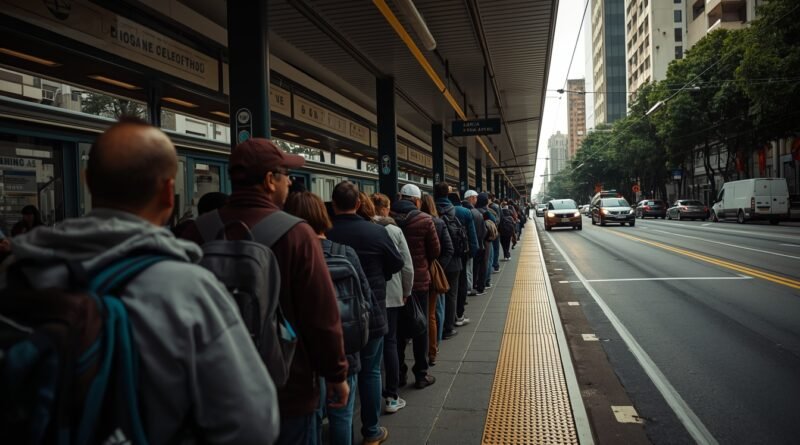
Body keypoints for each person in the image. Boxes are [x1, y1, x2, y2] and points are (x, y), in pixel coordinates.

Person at [0, 118, 279, 444]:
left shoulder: (16, 270)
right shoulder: (188, 288)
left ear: (87, 181)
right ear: (167, 193)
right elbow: (254, 424)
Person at [181, 138, 348, 445]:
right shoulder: (298, 234)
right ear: (271, 181)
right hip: (287, 388)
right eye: (287, 176)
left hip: (215, 389)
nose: (290, 183)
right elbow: (321, 316)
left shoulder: (197, 231)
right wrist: (336, 374)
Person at [284, 191, 371, 445]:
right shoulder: (345, 253)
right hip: (343, 350)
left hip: (302, 356)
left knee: (311, 417)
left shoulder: (287, 255)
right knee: (342, 416)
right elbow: (363, 300)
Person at [326, 181, 404, 445]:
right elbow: (396, 262)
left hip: (338, 314)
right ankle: (371, 431)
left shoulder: (325, 232)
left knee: (344, 374)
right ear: (358, 204)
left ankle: (342, 435)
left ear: (333, 203)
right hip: (372, 310)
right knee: (371, 371)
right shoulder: (376, 231)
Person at [390, 184, 440, 389]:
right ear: (417, 200)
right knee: (420, 326)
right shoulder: (425, 219)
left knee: (397, 331)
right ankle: (420, 373)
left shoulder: (388, 218)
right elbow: (435, 250)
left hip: (393, 283)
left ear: (400, 196)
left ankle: (398, 373)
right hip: (419, 282)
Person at [371, 192, 413, 415]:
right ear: (386, 208)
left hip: (367, 296)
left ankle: (370, 393)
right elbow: (406, 265)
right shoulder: (394, 230)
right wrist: (407, 291)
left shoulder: (365, 228)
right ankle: (391, 396)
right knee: (391, 342)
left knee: (370, 347)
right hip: (392, 294)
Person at [435, 183, 478, 334]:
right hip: (456, 258)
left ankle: (437, 329)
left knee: (436, 296)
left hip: (435, 261)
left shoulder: (429, 210)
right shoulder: (463, 211)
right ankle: (450, 325)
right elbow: (471, 236)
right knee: (453, 293)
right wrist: (472, 253)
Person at [420, 193, 453, 362]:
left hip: (416, 275)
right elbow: (448, 249)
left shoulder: (408, 222)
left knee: (420, 313)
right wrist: (438, 268)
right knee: (433, 313)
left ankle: (422, 348)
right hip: (432, 273)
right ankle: (433, 350)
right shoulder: (439, 223)